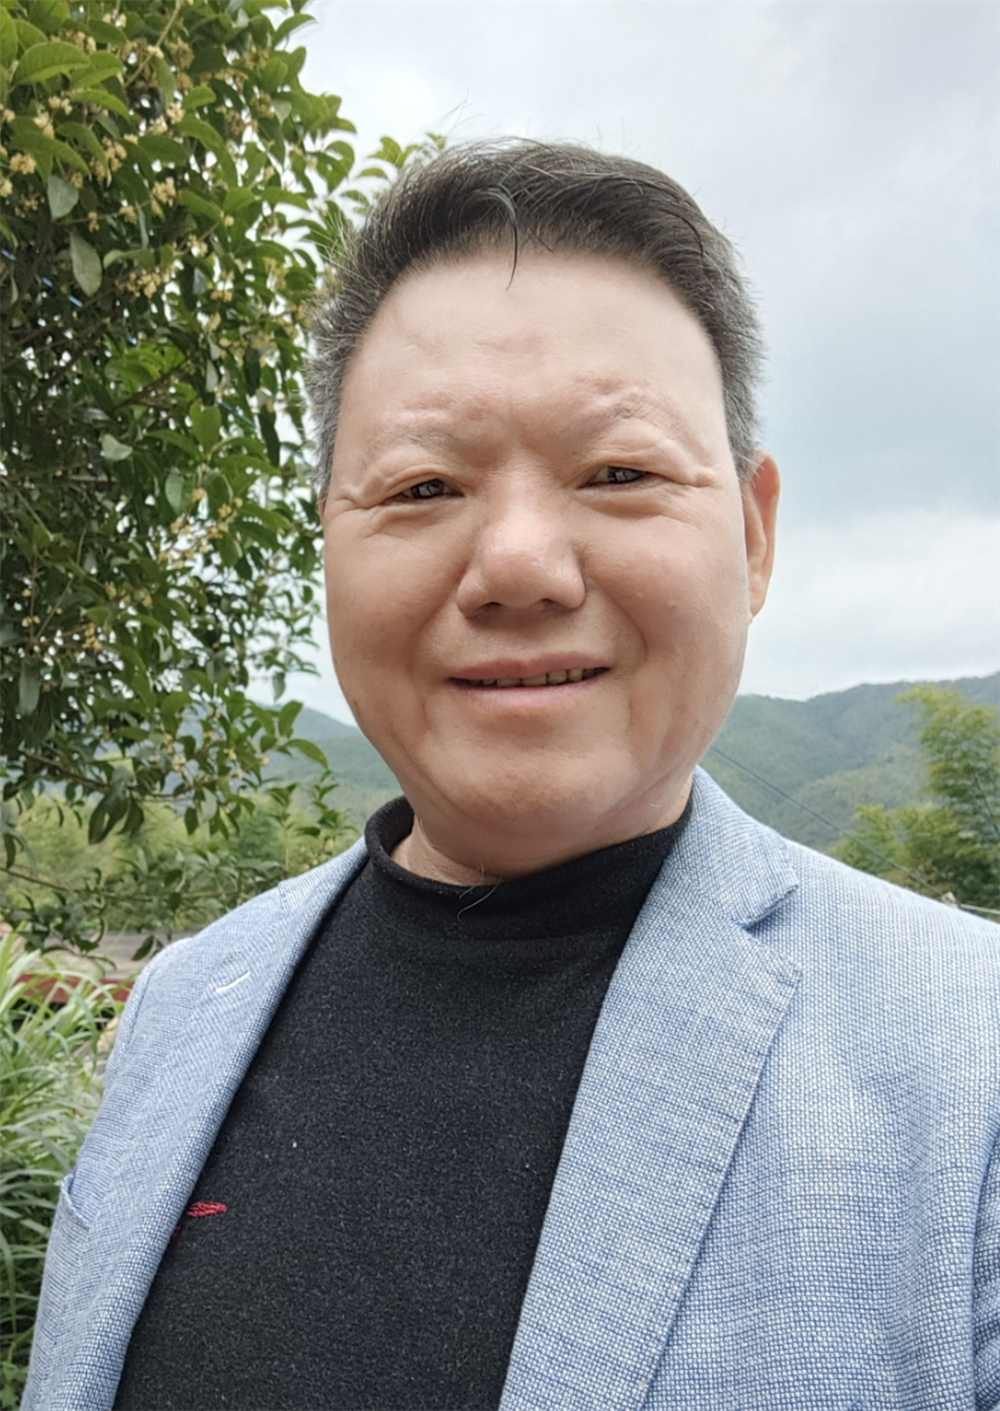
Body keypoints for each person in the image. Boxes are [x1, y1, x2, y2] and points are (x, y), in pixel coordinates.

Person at [24, 142, 999, 1411]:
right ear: (328, 543)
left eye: (619, 474)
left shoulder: (970, 1057)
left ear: (753, 535)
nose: (522, 565)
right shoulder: (183, 1005)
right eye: (424, 485)